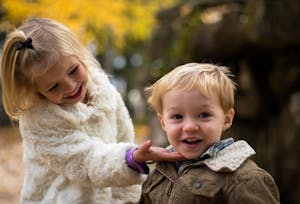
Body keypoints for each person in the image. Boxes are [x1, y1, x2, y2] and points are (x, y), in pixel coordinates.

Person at [0, 17, 183, 204]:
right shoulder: (39, 121)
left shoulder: (103, 91)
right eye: (53, 87)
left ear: (80, 55)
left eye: (73, 70)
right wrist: (130, 158)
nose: (70, 87)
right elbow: (84, 162)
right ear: (35, 90)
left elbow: (123, 136)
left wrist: (128, 197)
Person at [140, 63, 280, 203]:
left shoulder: (244, 178)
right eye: (177, 117)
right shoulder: (159, 173)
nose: (189, 127)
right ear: (163, 122)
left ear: (226, 119)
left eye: (204, 115)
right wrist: (130, 160)